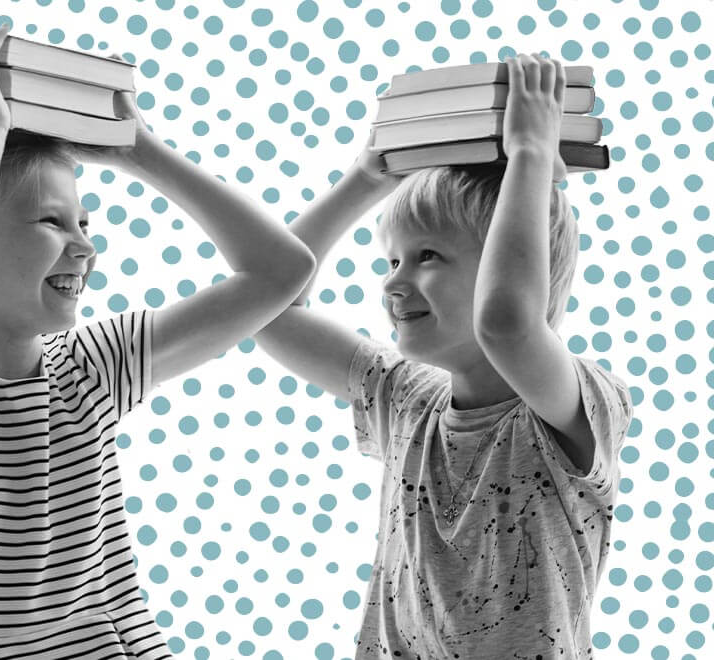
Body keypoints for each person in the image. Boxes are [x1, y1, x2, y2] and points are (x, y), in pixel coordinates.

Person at [0, 15, 314, 659]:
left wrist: (139, 152)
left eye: (85, 221)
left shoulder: (91, 366)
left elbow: (281, 272)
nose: (86, 245)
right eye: (53, 221)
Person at [255, 54, 633, 658]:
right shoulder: (407, 398)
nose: (392, 283)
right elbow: (267, 306)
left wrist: (532, 155)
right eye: (392, 261)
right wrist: (364, 181)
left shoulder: (575, 402)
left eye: (428, 256)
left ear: (512, 268)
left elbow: (506, 323)